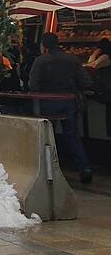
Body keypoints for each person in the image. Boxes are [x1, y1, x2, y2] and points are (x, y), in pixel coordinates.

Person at [29, 33, 93, 184]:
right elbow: (85, 81)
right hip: (69, 100)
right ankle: (84, 168)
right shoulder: (73, 59)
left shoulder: (40, 61)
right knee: (73, 136)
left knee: (48, 137)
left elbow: (33, 84)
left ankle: (50, 171)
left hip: (48, 101)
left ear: (44, 45)